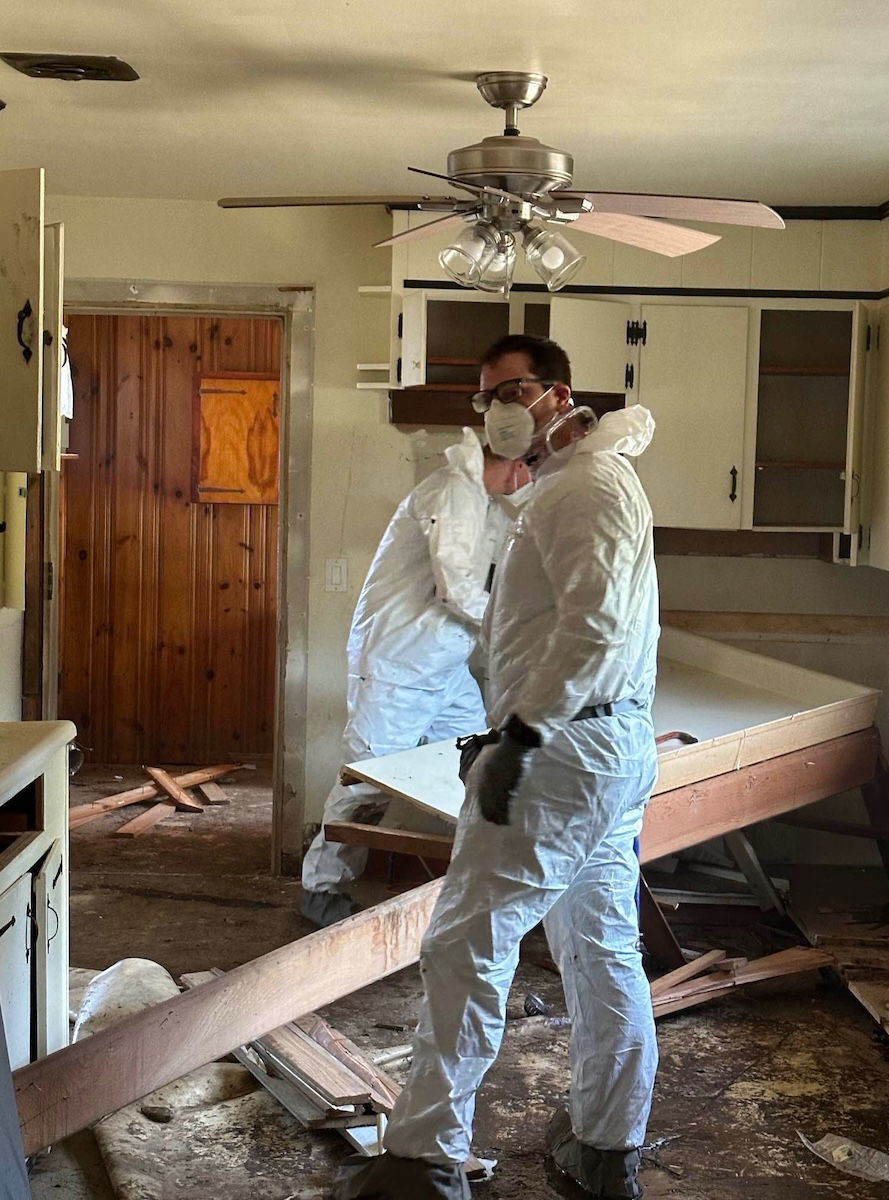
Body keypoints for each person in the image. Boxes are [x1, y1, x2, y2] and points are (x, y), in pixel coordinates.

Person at [335, 335, 660, 1200]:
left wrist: (521, 734)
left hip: (563, 753)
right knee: (600, 948)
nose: (497, 412)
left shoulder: (589, 487)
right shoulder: (571, 486)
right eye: (485, 399)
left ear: (557, 394)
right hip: (596, 748)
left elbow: (594, 630)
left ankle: (423, 1164)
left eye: (510, 391)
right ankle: (604, 1146)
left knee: (467, 944)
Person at [301, 427, 530, 928]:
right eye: (531, 466)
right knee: (367, 782)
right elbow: (459, 591)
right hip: (397, 668)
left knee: (477, 766)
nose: (532, 478)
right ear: (515, 461)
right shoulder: (453, 494)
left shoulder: (486, 504)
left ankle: (472, 880)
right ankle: (322, 890)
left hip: (443, 666)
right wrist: (523, 629)